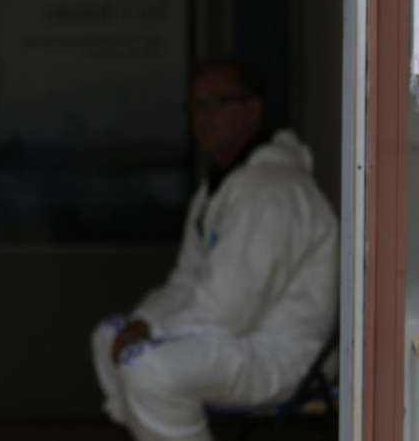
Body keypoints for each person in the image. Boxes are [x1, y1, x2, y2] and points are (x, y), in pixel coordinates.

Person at [90, 61, 338, 441]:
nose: (203, 117)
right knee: (111, 336)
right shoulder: (222, 185)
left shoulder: (272, 189)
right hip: (236, 336)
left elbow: (229, 308)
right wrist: (143, 322)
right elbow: (185, 281)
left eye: (217, 103)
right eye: (196, 106)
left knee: (147, 367)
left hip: (277, 352)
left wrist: (153, 330)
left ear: (252, 109)